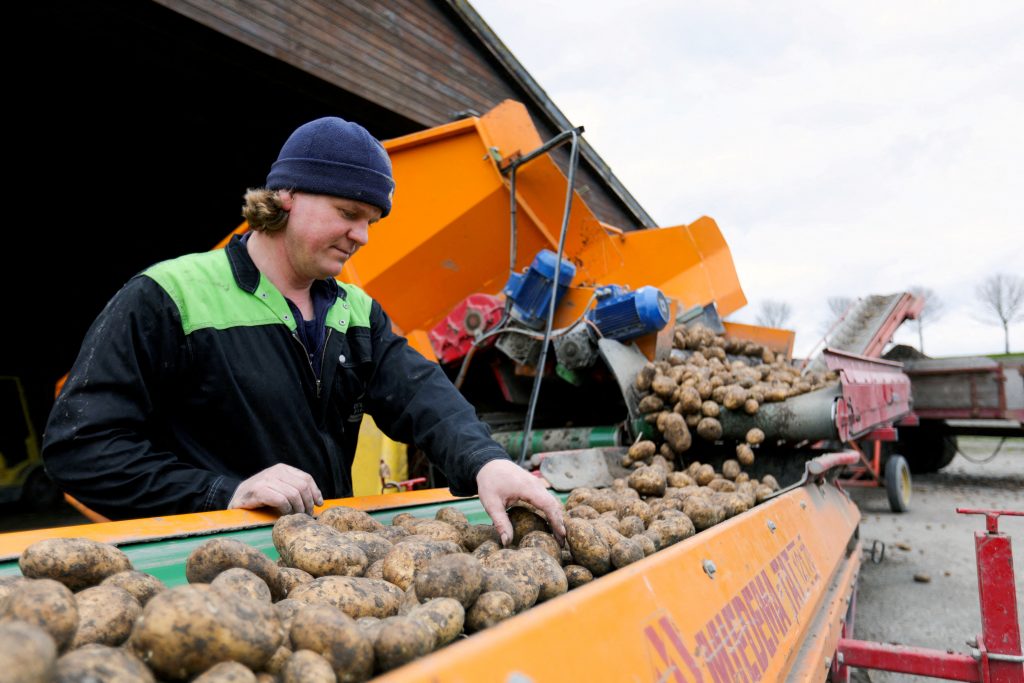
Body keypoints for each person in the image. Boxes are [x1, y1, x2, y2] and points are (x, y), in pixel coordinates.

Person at [42, 116, 564, 546]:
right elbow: (81, 447)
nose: (361, 235)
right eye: (348, 213)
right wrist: (221, 492)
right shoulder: (169, 295)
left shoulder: (355, 312)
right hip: (207, 569)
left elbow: (423, 396)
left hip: (323, 561)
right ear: (287, 195)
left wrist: (485, 462)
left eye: (371, 221)